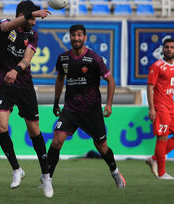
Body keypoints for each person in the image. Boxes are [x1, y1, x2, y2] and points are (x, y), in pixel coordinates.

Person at [47, 24, 126, 188]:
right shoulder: (63, 58)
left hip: (91, 110)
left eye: (79, 35)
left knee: (102, 147)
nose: (76, 38)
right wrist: (56, 102)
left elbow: (110, 80)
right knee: (56, 142)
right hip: (70, 109)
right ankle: (47, 180)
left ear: (85, 37)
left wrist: (109, 104)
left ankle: (115, 172)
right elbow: (60, 78)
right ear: (69, 37)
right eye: (73, 35)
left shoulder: (94, 59)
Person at [0, 0, 53, 198]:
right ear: (23, 15)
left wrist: (16, 70)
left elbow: (27, 58)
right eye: (32, 18)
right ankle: (16, 169)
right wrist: (30, 14)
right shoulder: (5, 24)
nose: (34, 22)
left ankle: (45, 175)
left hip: (24, 85)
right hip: (3, 85)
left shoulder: (33, 35)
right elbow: (6, 27)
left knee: (34, 130)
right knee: (1, 127)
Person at [146, 38, 174, 180]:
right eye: (166, 47)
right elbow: (150, 86)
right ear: (163, 49)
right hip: (160, 107)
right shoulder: (157, 66)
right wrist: (151, 108)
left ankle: (154, 158)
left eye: (172, 47)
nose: (169, 49)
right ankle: (161, 173)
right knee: (162, 137)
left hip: (171, 107)